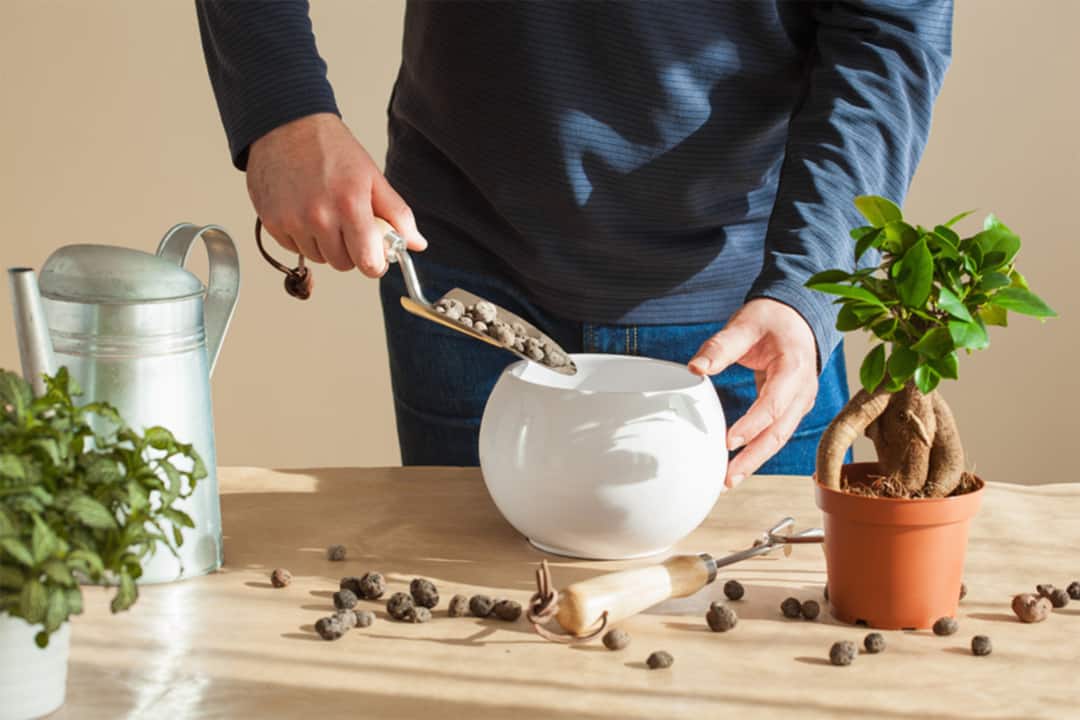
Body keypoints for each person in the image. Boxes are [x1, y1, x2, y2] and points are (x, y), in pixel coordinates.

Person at [196, 1, 952, 485]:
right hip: (463, 275)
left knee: (760, 664)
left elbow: (887, 26)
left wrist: (807, 283)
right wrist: (281, 108)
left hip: (752, 321)